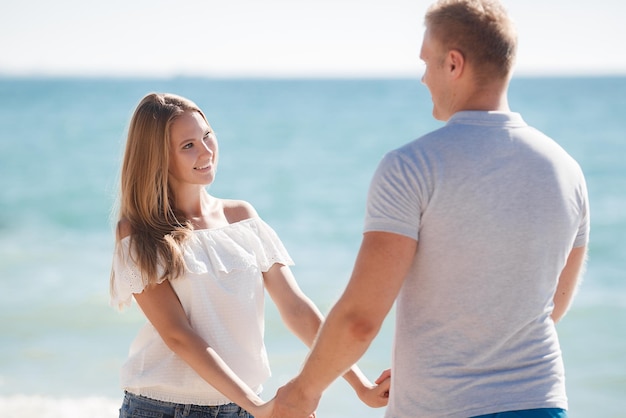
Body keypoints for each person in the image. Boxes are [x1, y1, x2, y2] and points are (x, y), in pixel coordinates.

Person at [270, 0, 590, 417]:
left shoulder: (413, 166)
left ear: (454, 64)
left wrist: (303, 392)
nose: (423, 78)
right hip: (542, 404)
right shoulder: (566, 170)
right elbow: (550, 306)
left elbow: (360, 319)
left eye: (427, 62)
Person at [108, 93, 390, 418]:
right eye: (188, 146)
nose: (206, 151)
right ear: (158, 158)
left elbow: (297, 309)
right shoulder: (138, 232)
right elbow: (178, 335)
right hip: (162, 409)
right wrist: (260, 407)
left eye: (207, 136)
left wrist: (362, 387)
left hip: (242, 407)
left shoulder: (242, 217)